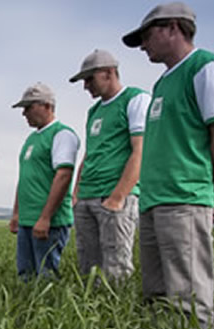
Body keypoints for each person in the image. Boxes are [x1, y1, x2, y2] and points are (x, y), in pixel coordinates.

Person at [123, 2, 214, 329]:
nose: (143, 45)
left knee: (188, 296)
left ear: (173, 27)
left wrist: (212, 196)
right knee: (155, 296)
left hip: (185, 198)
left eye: (146, 36)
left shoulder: (207, 67)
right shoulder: (161, 84)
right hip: (153, 200)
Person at [68, 49, 151, 280]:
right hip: (87, 196)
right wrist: (76, 192)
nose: (86, 86)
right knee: (88, 265)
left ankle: (113, 313)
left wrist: (118, 197)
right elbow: (90, 153)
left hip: (113, 196)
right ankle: (90, 311)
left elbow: (140, 150)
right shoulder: (94, 111)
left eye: (89, 79)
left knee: (115, 265)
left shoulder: (135, 100)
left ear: (109, 73)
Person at [9, 83, 80, 279]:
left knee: (46, 275)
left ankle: (46, 310)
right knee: (25, 275)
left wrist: (45, 217)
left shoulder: (62, 134)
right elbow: (25, 178)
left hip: (49, 222)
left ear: (47, 106)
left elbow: (64, 175)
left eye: (28, 107)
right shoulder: (31, 139)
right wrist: (16, 213)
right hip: (27, 219)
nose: (24, 113)